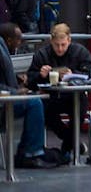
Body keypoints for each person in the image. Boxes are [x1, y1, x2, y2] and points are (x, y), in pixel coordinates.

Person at [26, 23, 91, 155]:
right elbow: (30, 81)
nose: (59, 48)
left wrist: (74, 74)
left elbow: (90, 73)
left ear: (69, 40)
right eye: (56, 45)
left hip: (74, 97)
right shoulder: (42, 54)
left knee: (80, 106)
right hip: (51, 98)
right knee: (42, 110)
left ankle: (69, 144)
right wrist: (40, 75)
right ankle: (72, 142)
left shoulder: (80, 52)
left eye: (63, 45)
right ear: (51, 41)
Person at [0, 23, 56, 168]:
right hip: (3, 102)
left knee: (37, 101)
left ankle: (26, 151)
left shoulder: (3, 48)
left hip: (6, 100)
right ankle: (31, 153)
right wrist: (15, 91)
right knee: (34, 103)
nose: (21, 42)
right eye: (18, 39)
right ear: (9, 40)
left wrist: (17, 80)